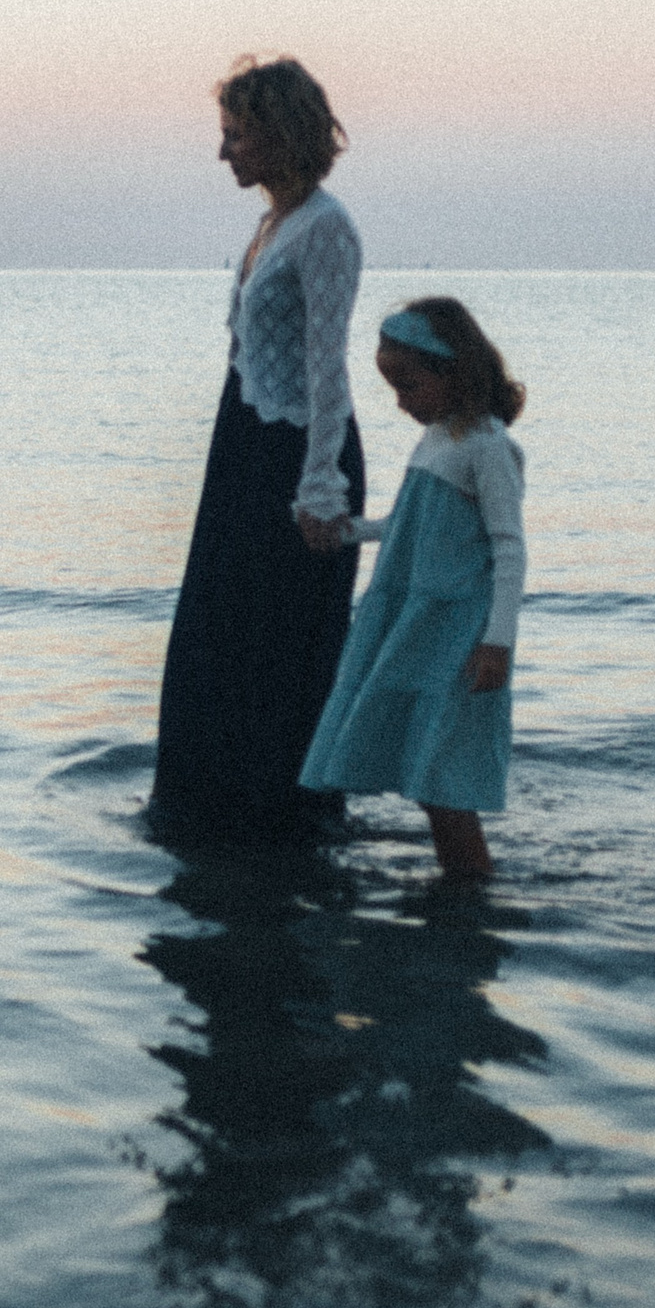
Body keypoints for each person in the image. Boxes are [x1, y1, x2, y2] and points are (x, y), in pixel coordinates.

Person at [145, 57, 364, 846]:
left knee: (279, 644)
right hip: (240, 448)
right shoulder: (271, 223)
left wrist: (320, 488)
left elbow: (327, 364)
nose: (222, 153)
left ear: (278, 134)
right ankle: (208, 808)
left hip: (297, 456)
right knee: (214, 634)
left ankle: (281, 817)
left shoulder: (326, 226)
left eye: (235, 135)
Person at [300, 298, 528, 881]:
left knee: (446, 776)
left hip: (456, 632)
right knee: (427, 768)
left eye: (410, 384)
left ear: (454, 372)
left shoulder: (486, 444)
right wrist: (344, 530)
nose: (401, 400)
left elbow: (509, 549)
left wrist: (497, 643)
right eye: (392, 388)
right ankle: (458, 887)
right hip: (412, 624)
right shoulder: (437, 438)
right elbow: (406, 526)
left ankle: (472, 893)